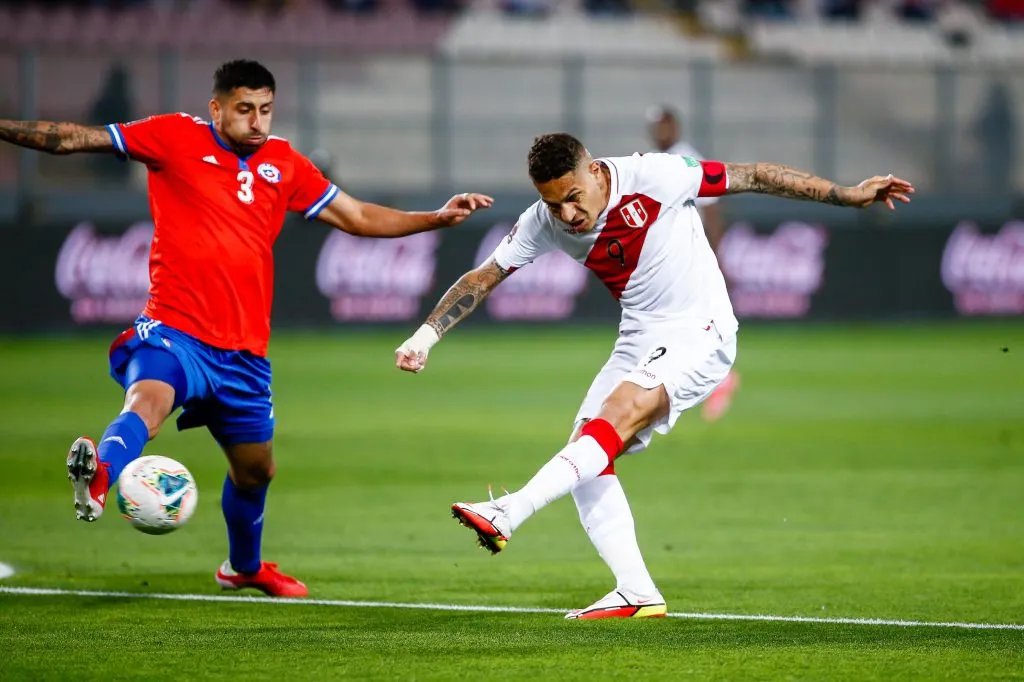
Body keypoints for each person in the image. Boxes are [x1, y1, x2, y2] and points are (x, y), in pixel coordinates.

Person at [0, 59, 492, 598]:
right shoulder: (172, 137)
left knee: (256, 472)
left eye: (265, 110)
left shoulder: (284, 162)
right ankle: (100, 476)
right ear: (217, 108)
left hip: (243, 355)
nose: (257, 121)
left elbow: (356, 217)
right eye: (244, 109)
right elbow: (73, 139)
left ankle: (243, 567)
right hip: (174, 329)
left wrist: (435, 217)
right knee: (148, 402)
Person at [395, 133, 912, 619]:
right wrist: (425, 336)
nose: (568, 214)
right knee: (585, 455)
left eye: (574, 196)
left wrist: (846, 195)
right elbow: (484, 275)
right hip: (640, 338)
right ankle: (635, 590)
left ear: (596, 172)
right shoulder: (543, 221)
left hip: (700, 329)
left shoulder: (656, 176)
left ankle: (510, 512)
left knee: (610, 422)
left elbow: (752, 175)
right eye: (555, 204)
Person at [646, 103, 737, 421]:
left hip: (690, 256)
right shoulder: (656, 160)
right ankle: (711, 379)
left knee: (683, 321)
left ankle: (720, 378)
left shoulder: (688, 158)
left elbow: (711, 208)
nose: (659, 132)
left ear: (675, 126)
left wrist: (716, 254)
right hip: (670, 258)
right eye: (655, 127)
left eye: (664, 125)